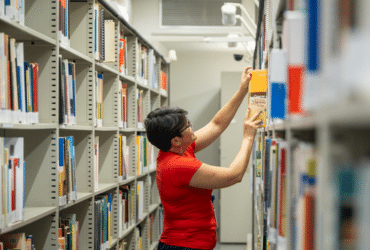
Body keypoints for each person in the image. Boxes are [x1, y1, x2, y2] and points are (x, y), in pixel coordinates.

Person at [144, 66, 262, 250]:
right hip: (185, 246)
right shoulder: (179, 165)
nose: (192, 127)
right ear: (176, 140)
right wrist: (248, 137)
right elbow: (234, 175)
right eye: (188, 126)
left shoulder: (173, 150)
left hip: (186, 244)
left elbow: (216, 124)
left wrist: (242, 90)